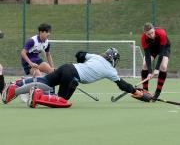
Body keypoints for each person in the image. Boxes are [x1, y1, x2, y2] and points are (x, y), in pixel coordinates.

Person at [2, 48, 150, 108]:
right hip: (72, 76)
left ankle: (15, 88)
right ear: (114, 60)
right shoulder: (110, 70)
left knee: (45, 81)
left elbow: (80, 54)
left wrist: (82, 62)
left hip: (67, 67)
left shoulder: (96, 57)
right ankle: (37, 95)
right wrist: (135, 91)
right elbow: (122, 85)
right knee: (62, 99)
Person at [20, 23, 55, 101]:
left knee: (52, 73)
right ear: (41, 32)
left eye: (49, 32)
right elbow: (23, 53)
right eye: (47, 32)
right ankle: (27, 89)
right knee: (38, 75)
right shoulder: (32, 41)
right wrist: (31, 64)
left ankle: (52, 94)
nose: (49, 34)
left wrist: (52, 67)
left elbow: (48, 55)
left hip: (37, 60)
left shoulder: (47, 42)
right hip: (27, 62)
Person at [141, 22, 170, 100]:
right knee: (144, 65)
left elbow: (161, 53)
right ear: (145, 33)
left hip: (164, 48)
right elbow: (147, 55)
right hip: (152, 49)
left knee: (163, 66)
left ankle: (157, 92)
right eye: (148, 34)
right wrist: (150, 72)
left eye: (152, 33)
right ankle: (145, 91)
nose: (151, 36)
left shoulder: (162, 33)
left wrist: (156, 69)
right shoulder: (143, 38)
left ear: (154, 29)